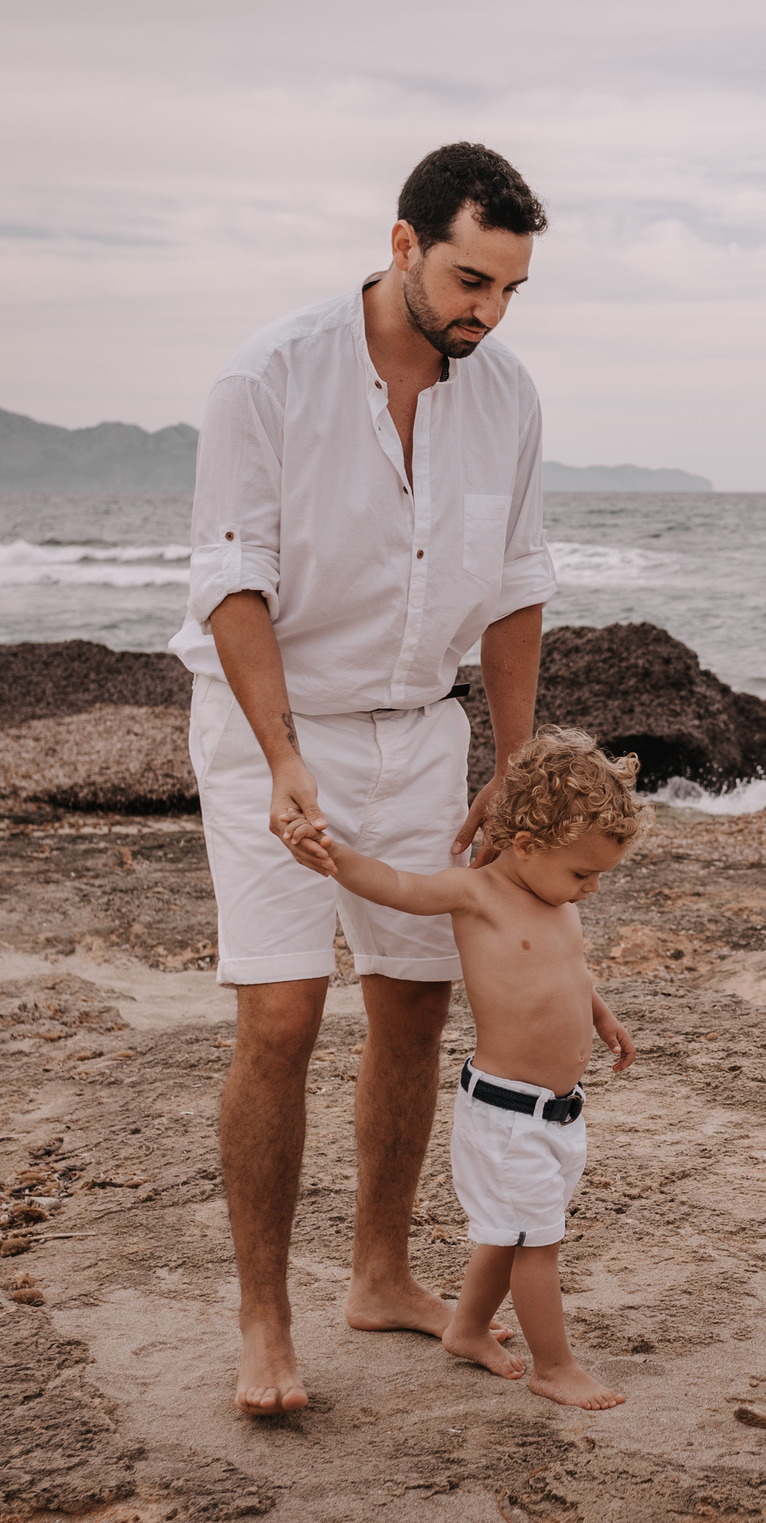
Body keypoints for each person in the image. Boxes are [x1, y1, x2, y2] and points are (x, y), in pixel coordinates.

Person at [171, 141, 559, 1415]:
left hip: (423, 733)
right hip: (272, 726)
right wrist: (284, 760)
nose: (484, 312)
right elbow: (234, 584)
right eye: (467, 279)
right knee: (279, 1018)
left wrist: (509, 763)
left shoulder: (506, 396)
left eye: (506, 289)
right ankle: (264, 1323)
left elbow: (512, 593)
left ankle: (380, 1277)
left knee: (410, 1005)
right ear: (401, 245)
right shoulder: (268, 377)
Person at [291, 727, 645, 1412]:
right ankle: (555, 1365)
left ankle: (468, 1328)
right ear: (527, 846)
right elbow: (395, 884)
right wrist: (330, 853)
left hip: (559, 1112)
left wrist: (600, 1016)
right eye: (582, 872)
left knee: (510, 1231)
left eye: (601, 874)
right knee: (538, 1242)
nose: (592, 888)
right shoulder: (478, 895)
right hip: (507, 1114)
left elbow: (567, 972)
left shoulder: (556, 901)